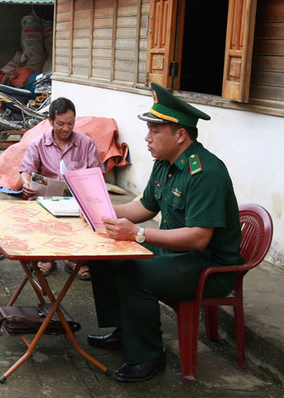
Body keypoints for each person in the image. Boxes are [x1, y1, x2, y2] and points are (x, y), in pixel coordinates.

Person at [86, 83, 243, 383]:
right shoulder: (165, 164)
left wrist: (138, 235)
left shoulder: (206, 172)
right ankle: (126, 330)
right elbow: (145, 206)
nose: (147, 137)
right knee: (105, 253)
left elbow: (199, 238)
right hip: (177, 253)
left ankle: (147, 356)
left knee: (135, 275)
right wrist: (98, 209)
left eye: (155, 130)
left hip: (208, 264)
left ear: (180, 135)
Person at [18, 97, 102, 279]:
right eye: (60, 124)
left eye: (70, 123)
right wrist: (26, 183)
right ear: (50, 121)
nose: (66, 128)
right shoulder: (38, 143)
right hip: (45, 199)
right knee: (41, 214)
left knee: (87, 214)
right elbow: (26, 171)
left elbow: (97, 175)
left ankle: (74, 259)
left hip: (78, 199)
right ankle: (47, 258)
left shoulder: (86, 144)